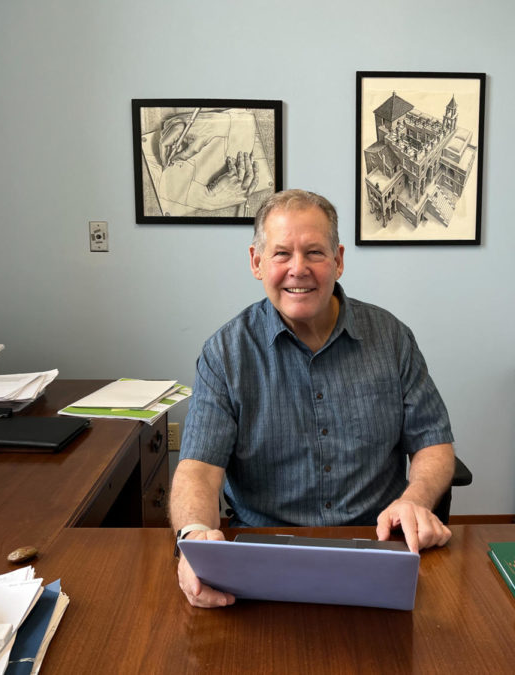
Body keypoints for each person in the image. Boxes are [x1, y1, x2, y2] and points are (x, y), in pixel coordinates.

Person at [170, 189, 456, 608]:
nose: (298, 269)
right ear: (257, 262)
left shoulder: (392, 338)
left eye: (315, 253)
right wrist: (194, 535)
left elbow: (434, 442)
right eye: (281, 253)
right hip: (260, 554)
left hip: (377, 544)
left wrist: (413, 502)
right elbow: (198, 469)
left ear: (338, 260)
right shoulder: (225, 353)